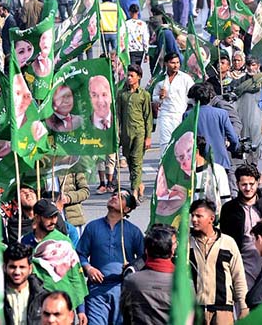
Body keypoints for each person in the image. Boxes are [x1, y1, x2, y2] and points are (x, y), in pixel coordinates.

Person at [78, 190, 143, 325]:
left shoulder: (134, 231)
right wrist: (88, 268)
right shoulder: (92, 227)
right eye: (114, 194)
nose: (115, 197)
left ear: (127, 208)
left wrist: (132, 267)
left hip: (124, 289)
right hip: (97, 289)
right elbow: (80, 254)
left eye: (121, 197)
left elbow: (144, 258)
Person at [219, 164, 262, 289]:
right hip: (243, 266)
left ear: (258, 182)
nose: (248, 188)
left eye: (251, 184)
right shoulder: (229, 209)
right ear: (237, 185)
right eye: (244, 185)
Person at [189, 198, 249, 322]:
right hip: (195, 311)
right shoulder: (187, 244)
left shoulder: (228, 243)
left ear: (211, 218)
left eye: (199, 216)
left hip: (223, 311)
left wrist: (244, 307)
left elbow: (238, 277)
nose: (194, 220)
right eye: (193, 216)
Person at [120, 224, 176, 325]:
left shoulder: (132, 280)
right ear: (171, 250)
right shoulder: (183, 282)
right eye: (175, 243)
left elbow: (126, 314)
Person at [192, 82, 239, 189]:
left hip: (198, 161)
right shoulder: (221, 114)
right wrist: (232, 148)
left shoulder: (188, 115)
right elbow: (233, 138)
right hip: (221, 160)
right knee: (224, 193)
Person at [116, 64, 152, 201]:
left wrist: (148, 136)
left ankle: (134, 191)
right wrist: (117, 131)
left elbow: (148, 117)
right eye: (128, 75)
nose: (129, 78)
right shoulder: (122, 94)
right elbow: (118, 114)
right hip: (125, 133)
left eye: (132, 76)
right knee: (130, 160)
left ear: (139, 77)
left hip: (139, 132)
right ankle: (138, 184)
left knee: (137, 161)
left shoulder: (144, 95)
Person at [153, 52, 194, 150]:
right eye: (173, 63)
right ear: (166, 63)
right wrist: (160, 97)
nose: (176, 65)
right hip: (165, 115)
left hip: (181, 114)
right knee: (165, 142)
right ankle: (164, 164)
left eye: (178, 62)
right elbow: (154, 98)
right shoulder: (160, 79)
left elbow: (193, 95)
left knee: (181, 141)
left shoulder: (185, 78)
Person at [3, 243, 48, 325]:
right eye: (12, 267)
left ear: (30, 268)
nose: (17, 272)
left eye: (22, 267)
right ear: (5, 267)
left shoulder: (43, 297)